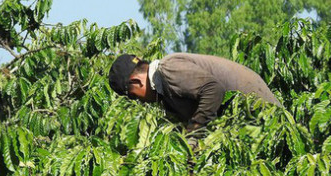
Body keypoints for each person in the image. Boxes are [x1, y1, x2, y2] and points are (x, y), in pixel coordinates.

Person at [108, 53, 280, 147]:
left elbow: (213, 90)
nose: (138, 101)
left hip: (263, 115)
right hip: (247, 126)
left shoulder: (168, 68)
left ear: (136, 82)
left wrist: (193, 136)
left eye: (131, 95)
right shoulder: (166, 96)